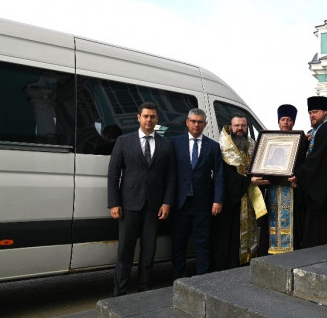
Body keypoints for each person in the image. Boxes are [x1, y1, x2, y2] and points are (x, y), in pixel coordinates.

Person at [107, 102, 176, 296]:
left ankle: (144, 290)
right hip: (128, 204)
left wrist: (167, 202)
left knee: (149, 251)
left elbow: (171, 176)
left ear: (157, 119)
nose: (149, 120)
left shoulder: (165, 144)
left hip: (154, 206)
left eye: (152, 116)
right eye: (145, 116)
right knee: (125, 251)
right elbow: (113, 174)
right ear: (138, 118)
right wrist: (114, 202)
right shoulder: (123, 141)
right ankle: (120, 292)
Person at [170, 108, 224, 279]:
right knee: (179, 244)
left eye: (200, 122)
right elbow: (169, 173)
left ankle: (203, 280)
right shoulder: (174, 143)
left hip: (203, 204)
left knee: (202, 243)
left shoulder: (213, 146)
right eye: (193, 121)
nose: (196, 124)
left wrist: (218, 200)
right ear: (187, 122)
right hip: (180, 203)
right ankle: (178, 279)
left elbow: (219, 175)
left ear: (205, 124)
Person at [210, 113, 268, 271]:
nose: (240, 129)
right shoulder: (223, 147)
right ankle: (230, 267)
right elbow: (226, 176)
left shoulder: (251, 144)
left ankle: (248, 263)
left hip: (249, 199)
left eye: (243, 126)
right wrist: (249, 181)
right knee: (230, 238)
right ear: (230, 127)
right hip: (231, 202)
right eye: (237, 125)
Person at [288, 96, 327, 248]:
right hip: (324, 185)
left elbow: (318, 161)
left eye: (315, 112)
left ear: (325, 111)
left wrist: (299, 175)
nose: (312, 115)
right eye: (310, 113)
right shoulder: (318, 130)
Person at [267, 104, 307, 254]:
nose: (285, 123)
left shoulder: (301, 139)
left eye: (289, 120)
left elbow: (303, 162)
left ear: (293, 122)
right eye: (283, 119)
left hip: (291, 189)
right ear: (278, 121)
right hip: (273, 187)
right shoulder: (271, 139)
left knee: (292, 223)